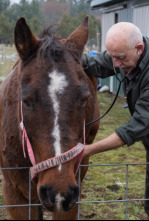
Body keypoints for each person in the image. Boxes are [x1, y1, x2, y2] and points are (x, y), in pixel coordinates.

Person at [82, 22, 149, 218]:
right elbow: (91, 63)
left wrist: (87, 150)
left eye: (120, 58)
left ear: (139, 49)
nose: (116, 64)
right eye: (112, 56)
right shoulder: (123, 55)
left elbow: (135, 127)